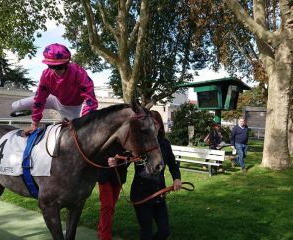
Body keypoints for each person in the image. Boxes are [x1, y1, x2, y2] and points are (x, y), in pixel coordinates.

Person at [109, 111, 182, 240]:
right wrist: (116, 161)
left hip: (159, 192)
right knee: (146, 231)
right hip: (141, 194)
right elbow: (124, 162)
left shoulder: (165, 143)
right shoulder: (139, 143)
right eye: (150, 124)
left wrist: (177, 178)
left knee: (164, 231)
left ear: (160, 125)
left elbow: (172, 163)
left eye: (155, 123)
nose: (153, 126)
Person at [11, 43, 98, 135]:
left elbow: (91, 101)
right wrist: (34, 123)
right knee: (15, 106)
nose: (56, 71)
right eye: (51, 66)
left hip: (71, 108)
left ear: (67, 63)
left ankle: (37, 110)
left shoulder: (79, 73)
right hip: (53, 99)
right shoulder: (46, 75)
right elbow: (40, 98)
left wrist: (84, 121)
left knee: (74, 134)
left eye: (59, 67)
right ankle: (34, 111)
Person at [97, 152, 129, 240]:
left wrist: (125, 159)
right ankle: (105, 236)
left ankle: (101, 229)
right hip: (105, 177)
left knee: (110, 208)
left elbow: (129, 157)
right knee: (107, 206)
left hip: (119, 177)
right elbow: (97, 154)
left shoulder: (127, 140)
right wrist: (107, 159)